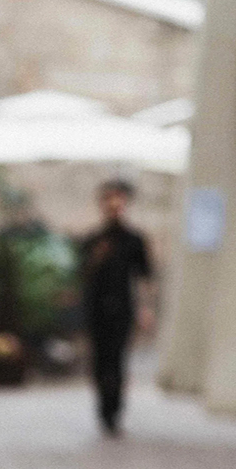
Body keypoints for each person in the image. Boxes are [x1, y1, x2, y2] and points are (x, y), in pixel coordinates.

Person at [80, 179, 153, 434]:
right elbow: (81, 275)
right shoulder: (93, 240)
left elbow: (144, 276)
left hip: (122, 308)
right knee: (100, 361)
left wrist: (146, 309)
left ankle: (115, 411)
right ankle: (103, 410)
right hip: (96, 309)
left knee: (117, 360)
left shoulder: (134, 240)